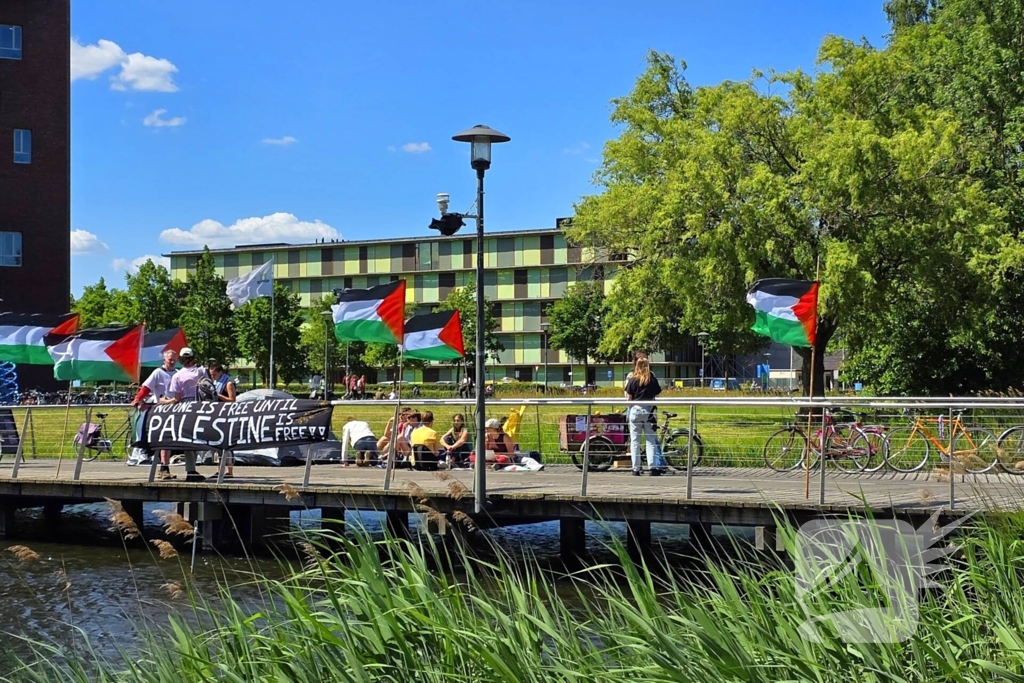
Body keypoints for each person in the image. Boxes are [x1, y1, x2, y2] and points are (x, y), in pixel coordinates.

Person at [161, 347, 208, 482]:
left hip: (185, 408)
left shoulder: (177, 375)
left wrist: (165, 401)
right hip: (201, 406)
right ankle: (194, 469)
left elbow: (176, 399)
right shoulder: (202, 371)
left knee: (188, 439)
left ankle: (190, 470)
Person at [131, 349, 178, 480]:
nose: (172, 361)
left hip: (175, 410)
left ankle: (165, 466)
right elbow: (146, 387)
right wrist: (138, 399)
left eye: (174, 359)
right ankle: (163, 467)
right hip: (161, 411)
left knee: (169, 441)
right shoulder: (158, 373)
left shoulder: (177, 373)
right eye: (170, 359)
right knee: (164, 440)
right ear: (165, 360)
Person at [625, 357, 664, 476]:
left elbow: (628, 398)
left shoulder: (632, 380)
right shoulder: (652, 380)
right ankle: (653, 467)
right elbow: (657, 393)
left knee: (635, 441)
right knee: (650, 441)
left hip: (635, 412)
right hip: (649, 412)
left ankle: (636, 468)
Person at [209, 364, 236, 477]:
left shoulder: (228, 383)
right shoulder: (215, 383)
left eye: (214, 374)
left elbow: (232, 400)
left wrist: (219, 395)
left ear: (220, 372)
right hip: (216, 415)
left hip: (227, 415)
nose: (213, 376)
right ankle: (219, 469)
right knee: (216, 443)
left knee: (227, 444)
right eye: (211, 375)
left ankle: (229, 471)